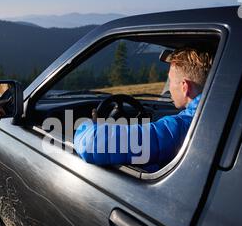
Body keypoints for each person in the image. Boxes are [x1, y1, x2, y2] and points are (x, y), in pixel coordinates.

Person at [73, 47, 213, 170]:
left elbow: (92, 143)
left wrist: (90, 125)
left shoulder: (183, 127)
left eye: (170, 81)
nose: (169, 87)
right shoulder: (212, 116)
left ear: (185, 87)